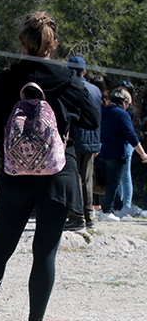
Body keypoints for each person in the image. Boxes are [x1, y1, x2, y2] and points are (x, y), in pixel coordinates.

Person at [0, 12, 100, 321]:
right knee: (45, 254)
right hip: (58, 175)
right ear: (54, 44)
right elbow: (93, 120)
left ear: (22, 43)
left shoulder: (5, 79)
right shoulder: (69, 81)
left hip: (16, 177)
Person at [64, 56, 102, 230]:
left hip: (75, 138)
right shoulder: (96, 90)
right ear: (84, 71)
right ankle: (89, 215)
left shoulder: (69, 86)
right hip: (92, 138)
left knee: (75, 178)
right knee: (87, 178)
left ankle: (76, 215)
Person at [98, 87, 147, 221]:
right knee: (114, 183)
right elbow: (131, 135)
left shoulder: (103, 111)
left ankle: (109, 209)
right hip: (117, 152)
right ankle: (107, 211)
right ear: (125, 101)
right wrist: (142, 153)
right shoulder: (122, 114)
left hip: (101, 152)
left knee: (107, 183)